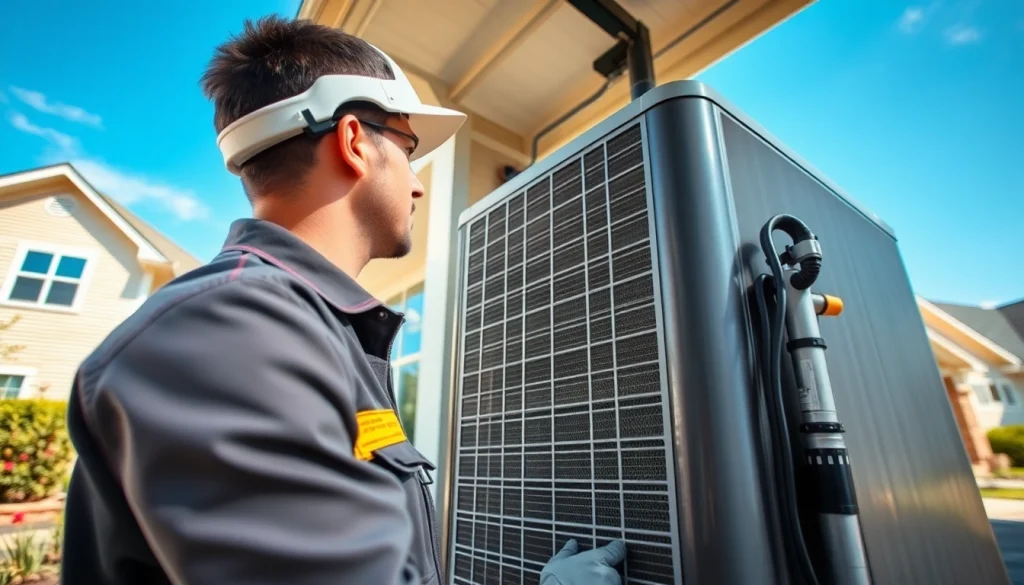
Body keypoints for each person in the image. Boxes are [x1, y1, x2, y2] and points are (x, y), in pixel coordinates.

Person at [60, 15, 627, 585]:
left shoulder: (297, 328)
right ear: (355, 141)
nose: (418, 183)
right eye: (409, 148)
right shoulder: (232, 333)